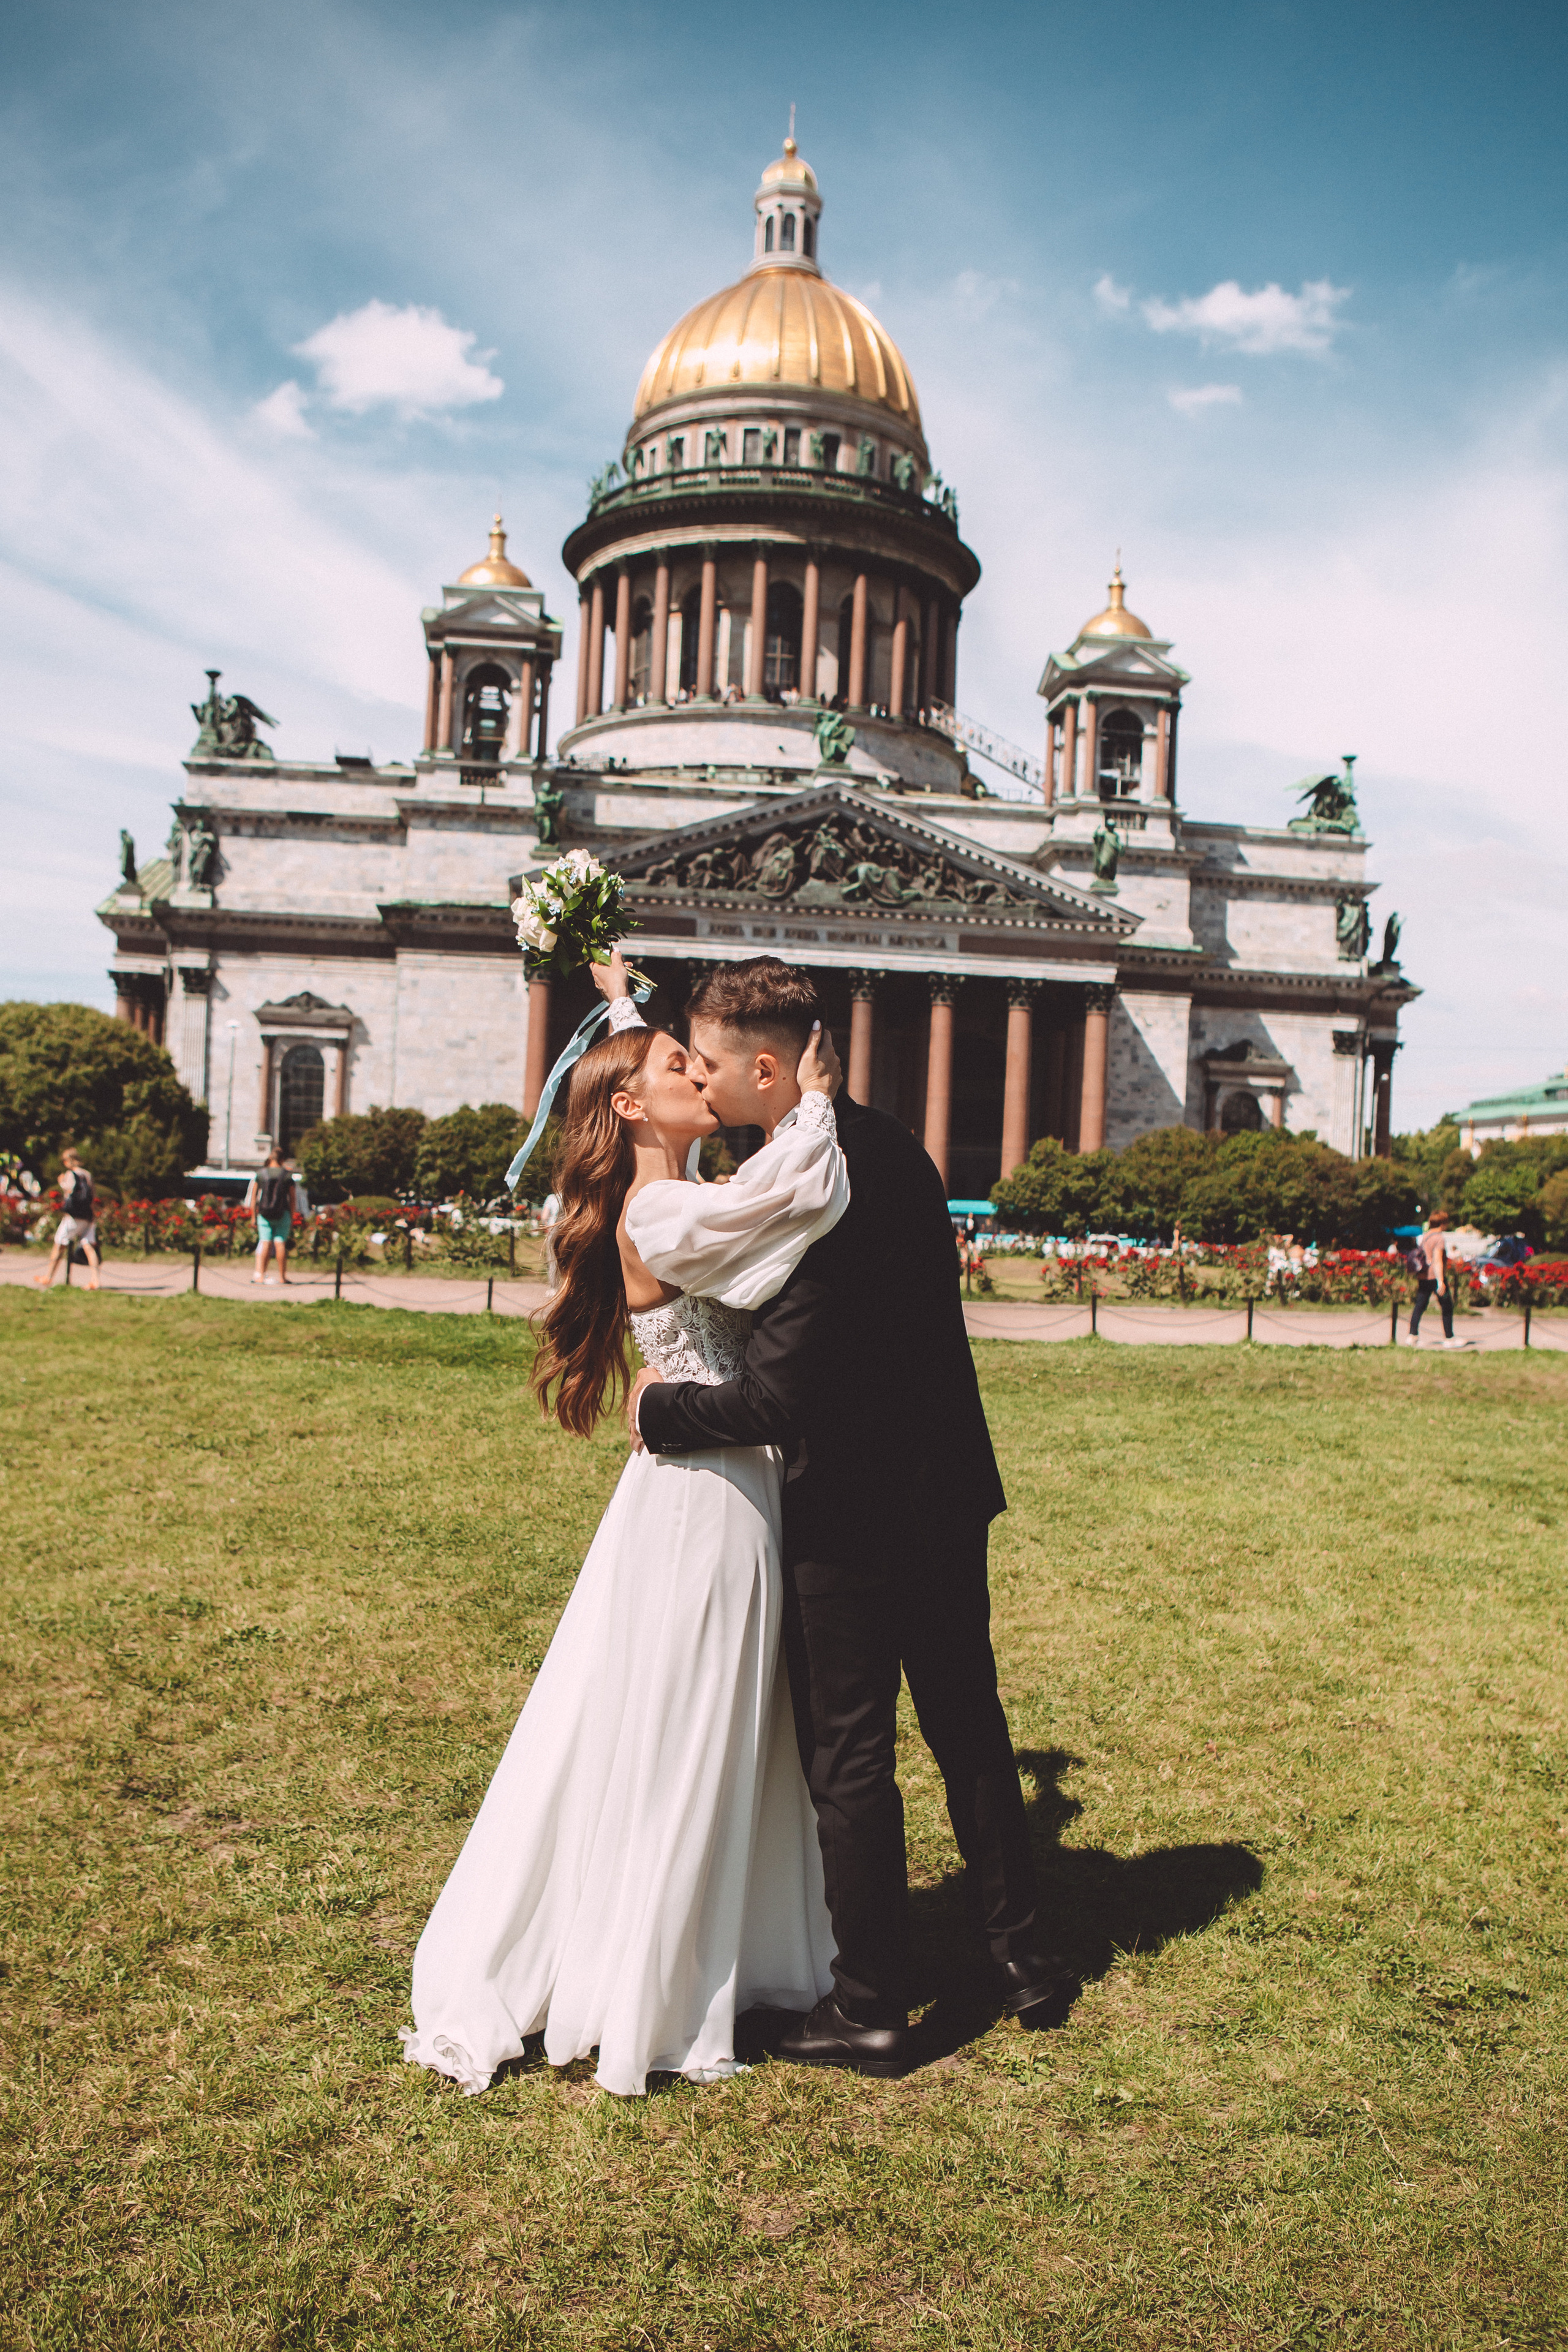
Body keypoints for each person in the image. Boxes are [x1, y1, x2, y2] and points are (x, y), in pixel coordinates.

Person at [401, 966, 848, 2097]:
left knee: (720, 1723)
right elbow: (801, 1196)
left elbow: (753, 1185)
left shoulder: (686, 1187)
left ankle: (712, 1952)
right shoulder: (661, 1211)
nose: (700, 1071)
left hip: (723, 1481)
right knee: (687, 1729)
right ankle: (652, 1983)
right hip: (705, 1497)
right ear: (638, 1110)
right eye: (676, 1068)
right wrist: (815, 1098)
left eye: (701, 1060)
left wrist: (616, 991)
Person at [631, 956, 1069, 2080]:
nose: (705, 1084)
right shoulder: (897, 1153)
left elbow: (780, 1397)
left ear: (768, 1068)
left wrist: (661, 1410)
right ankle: (1025, 1959)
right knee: (968, 1726)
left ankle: (872, 2005)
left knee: (850, 1756)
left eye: (716, 1067)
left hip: (852, 1509)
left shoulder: (809, 1185)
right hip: (947, 1490)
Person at [33, 1150, 101, 1291]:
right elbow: (93, 1196)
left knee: (59, 1244)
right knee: (88, 1246)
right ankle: (95, 1280)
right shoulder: (88, 1174)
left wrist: (62, 1183)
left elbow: (69, 1193)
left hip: (74, 1216)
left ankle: (49, 1277)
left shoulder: (71, 1174)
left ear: (69, 1161)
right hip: (87, 1215)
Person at [244, 1150, 300, 1285]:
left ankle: (261, 1276)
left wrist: (253, 1217)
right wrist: (291, 1216)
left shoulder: (261, 1174)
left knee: (265, 1242)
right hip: (283, 1213)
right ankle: (282, 1277)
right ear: (282, 1159)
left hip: (264, 1214)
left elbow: (253, 1197)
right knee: (280, 1243)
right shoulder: (287, 1175)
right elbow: (293, 1199)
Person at [1408, 1208, 1457, 1345]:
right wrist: (1441, 1282)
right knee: (1447, 1306)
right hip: (1435, 1277)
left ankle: (1412, 1335)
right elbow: (1438, 1261)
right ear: (1443, 1223)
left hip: (1423, 1276)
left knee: (1420, 1305)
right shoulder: (1439, 1238)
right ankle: (1449, 1337)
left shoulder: (1425, 1237)